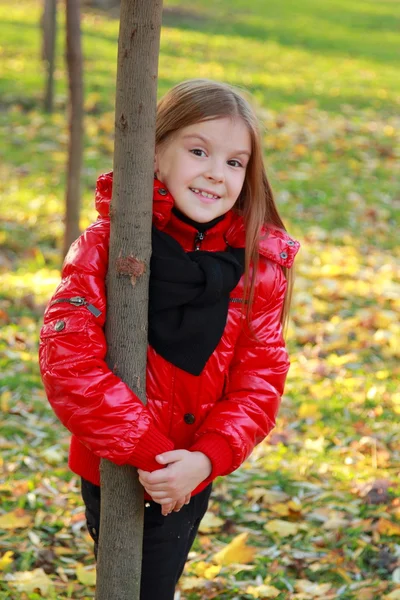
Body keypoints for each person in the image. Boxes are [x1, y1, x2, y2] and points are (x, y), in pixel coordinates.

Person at [39, 79, 300, 599]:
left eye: (234, 162)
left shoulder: (258, 268)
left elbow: (260, 380)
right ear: (154, 152)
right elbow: (69, 361)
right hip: (118, 461)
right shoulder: (107, 246)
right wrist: (151, 451)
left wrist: (204, 459)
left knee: (154, 585)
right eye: (198, 151)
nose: (215, 173)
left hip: (192, 471)